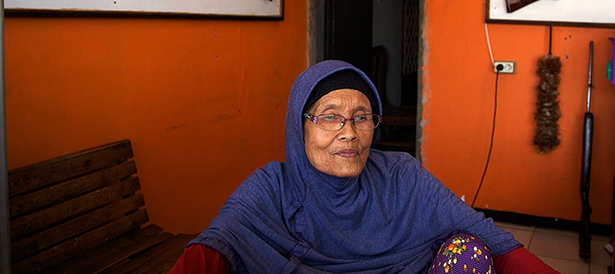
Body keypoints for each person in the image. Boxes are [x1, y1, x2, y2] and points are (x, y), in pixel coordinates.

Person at [168, 60, 559, 274]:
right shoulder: (271, 188)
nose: (349, 133)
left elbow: (486, 235)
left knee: (469, 251)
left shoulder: (400, 175)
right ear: (298, 126)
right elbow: (214, 248)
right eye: (329, 117)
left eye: (361, 116)